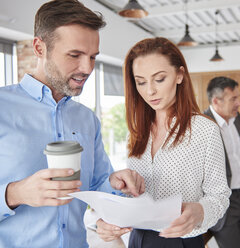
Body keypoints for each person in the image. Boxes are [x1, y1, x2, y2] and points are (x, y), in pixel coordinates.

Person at [0, 1, 145, 247]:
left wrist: (114, 182)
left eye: (92, 57)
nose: (87, 68)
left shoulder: (87, 119)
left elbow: (99, 185)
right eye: (75, 55)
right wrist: (14, 193)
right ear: (39, 48)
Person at [96, 37, 231, 247]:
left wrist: (200, 211)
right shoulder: (136, 132)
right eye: (141, 82)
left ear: (179, 75)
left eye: (159, 79)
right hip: (139, 238)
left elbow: (220, 196)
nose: (150, 91)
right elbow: (135, 198)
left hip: (182, 241)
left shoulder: (205, 130)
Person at [202, 76, 240, 248]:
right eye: (234, 99)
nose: (238, 103)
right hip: (222, 201)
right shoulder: (202, 124)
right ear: (216, 101)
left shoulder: (235, 118)